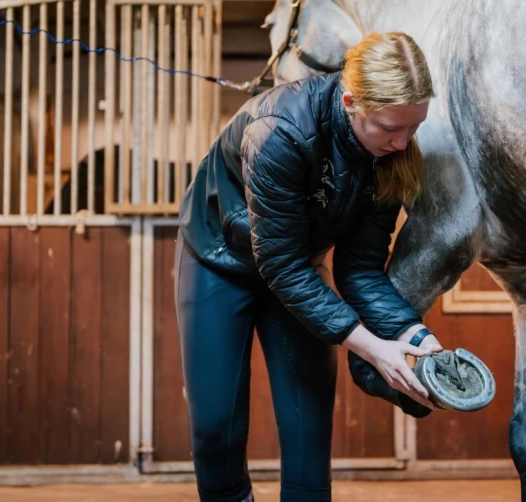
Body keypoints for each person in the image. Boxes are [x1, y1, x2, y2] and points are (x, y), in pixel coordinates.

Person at [174, 31, 442, 502]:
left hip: (297, 267)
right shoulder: (279, 130)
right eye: (390, 127)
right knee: (216, 428)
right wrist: (373, 350)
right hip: (221, 261)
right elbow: (281, 265)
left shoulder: (390, 156)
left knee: (309, 428)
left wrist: (420, 340)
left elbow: (361, 269)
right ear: (351, 101)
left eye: (413, 128)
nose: (403, 143)